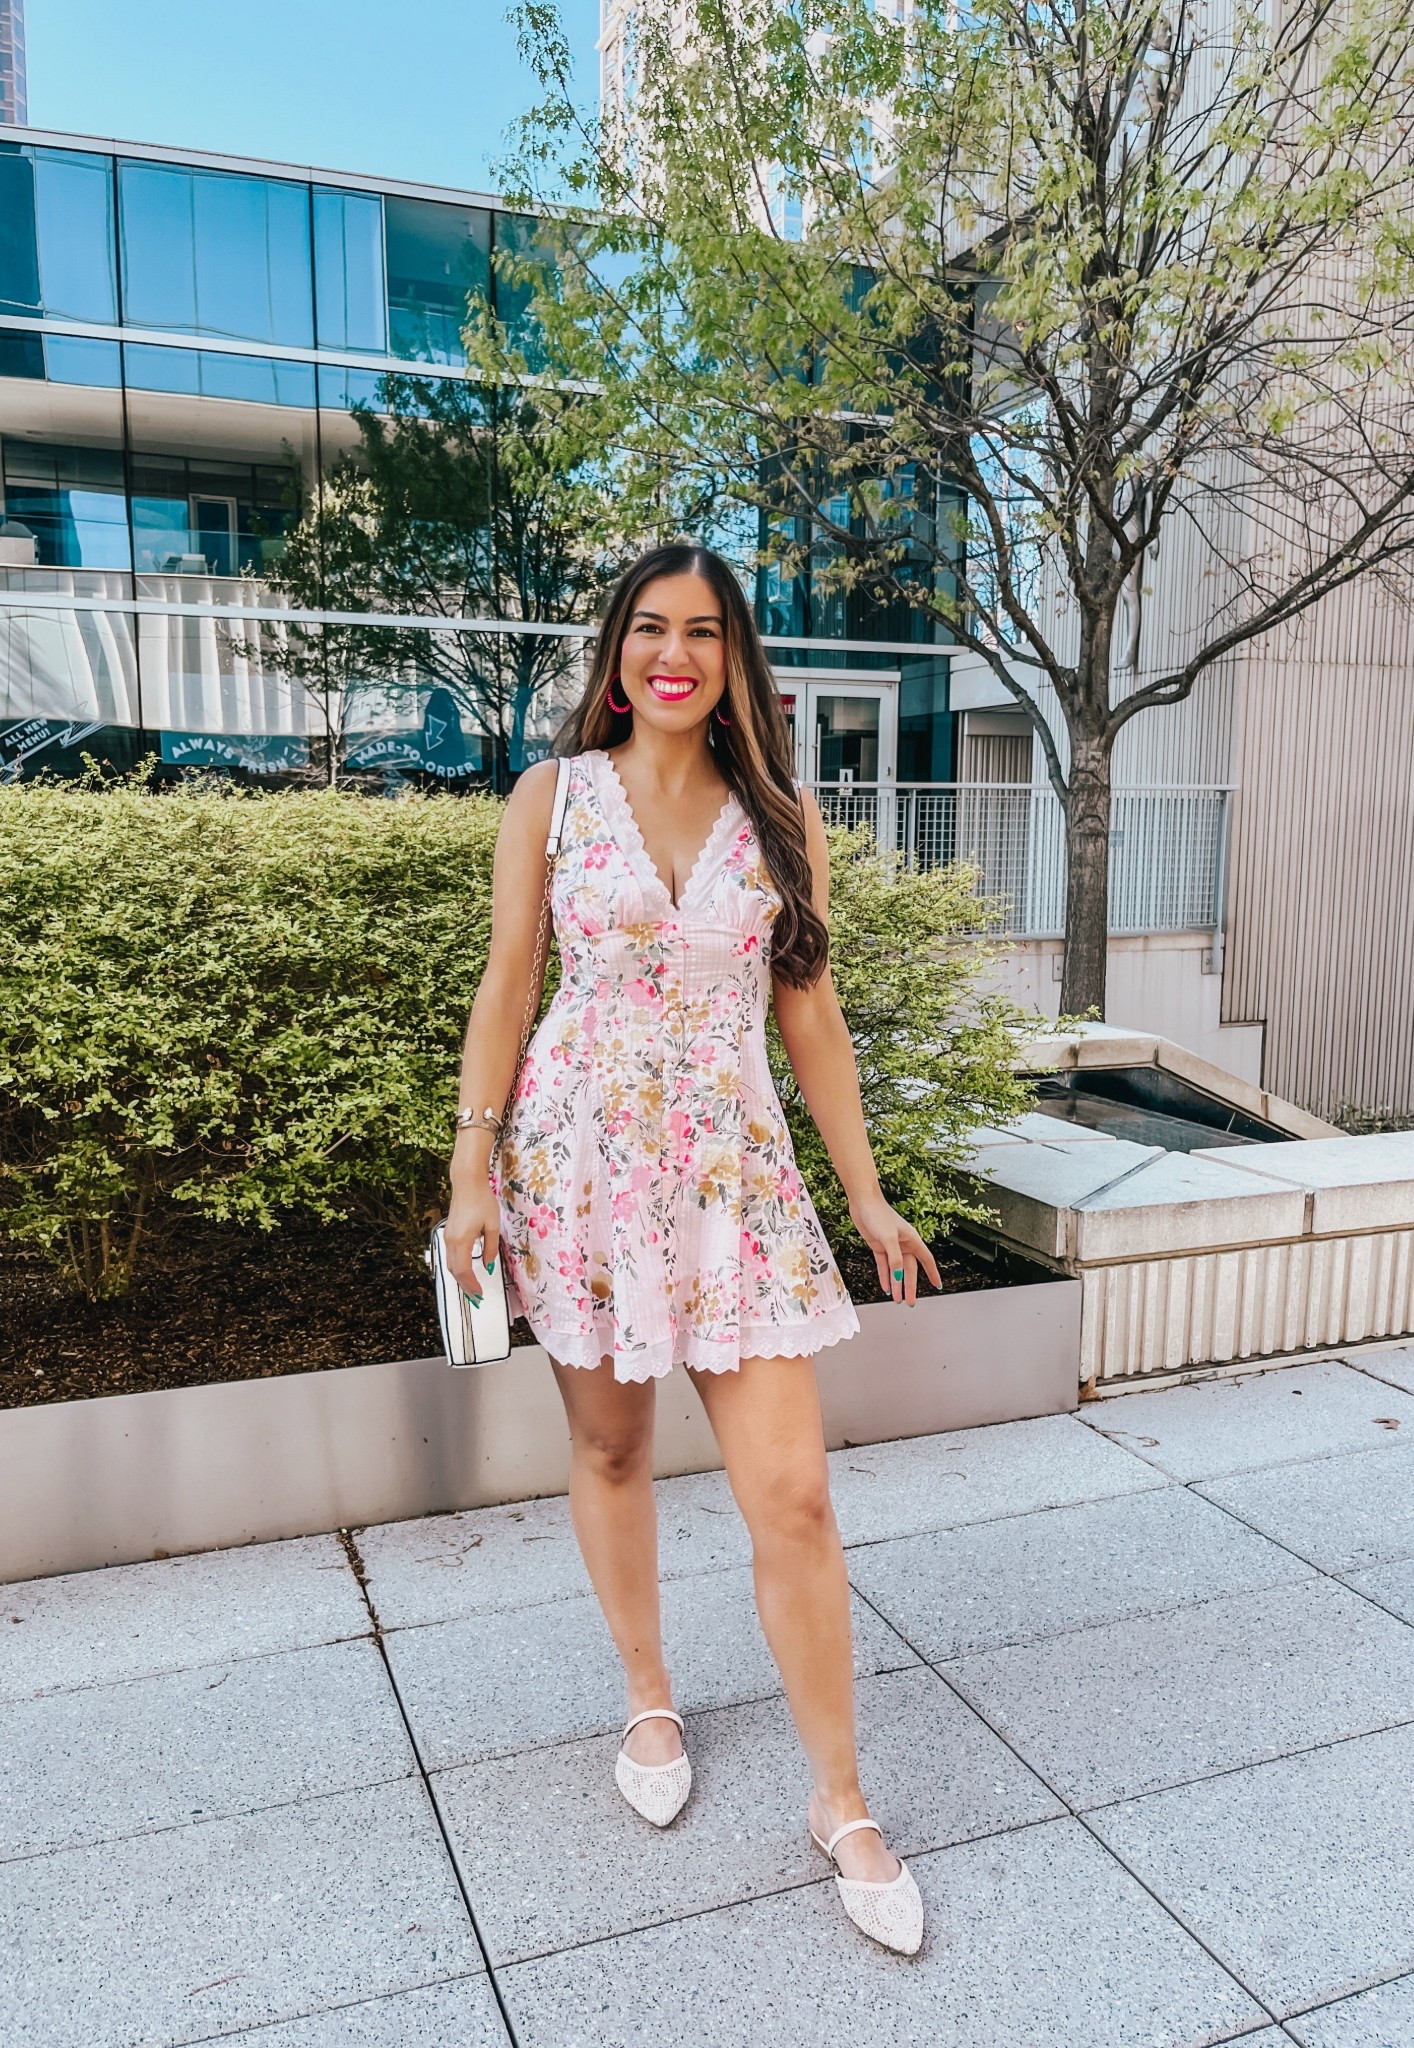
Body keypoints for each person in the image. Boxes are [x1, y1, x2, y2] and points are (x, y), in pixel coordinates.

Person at [445, 542, 940, 1956]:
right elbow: (506, 982)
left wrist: (866, 1197)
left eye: (704, 633)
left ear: (735, 662)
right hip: (579, 1170)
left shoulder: (782, 818)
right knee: (608, 1448)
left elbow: (811, 1022)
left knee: (790, 1497)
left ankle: (838, 1799)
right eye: (650, 629)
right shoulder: (550, 800)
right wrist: (469, 1170)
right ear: (615, 652)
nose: (675, 654)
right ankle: (647, 1693)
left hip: (733, 1181)